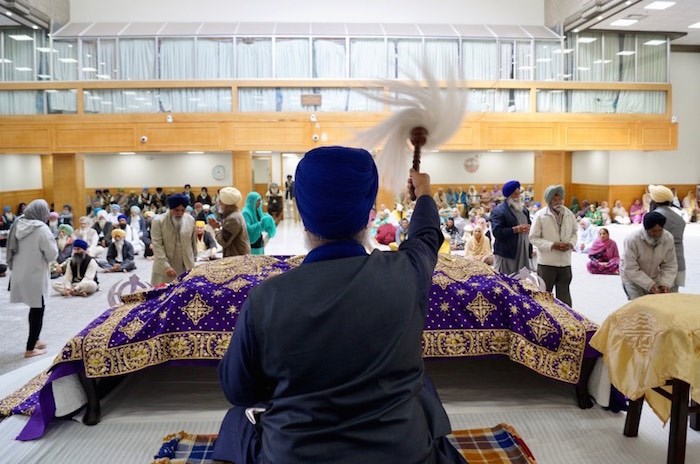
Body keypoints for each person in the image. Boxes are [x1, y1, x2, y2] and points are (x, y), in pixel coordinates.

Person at [213, 146, 465, 464]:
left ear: (302, 213)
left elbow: (239, 391)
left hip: (296, 455)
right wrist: (425, 195)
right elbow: (426, 236)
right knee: (422, 389)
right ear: (368, 209)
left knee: (237, 421)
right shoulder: (405, 273)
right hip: (401, 453)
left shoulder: (267, 298)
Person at [6, 199, 58, 358]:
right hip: (35, 276)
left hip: (20, 274)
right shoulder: (42, 229)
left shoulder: (18, 224)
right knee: (37, 310)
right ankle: (30, 348)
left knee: (34, 307)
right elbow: (52, 254)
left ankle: (36, 340)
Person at [529, 185, 578, 307]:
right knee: (544, 298)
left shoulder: (569, 214)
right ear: (549, 200)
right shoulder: (540, 215)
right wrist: (552, 245)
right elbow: (533, 238)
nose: (558, 202)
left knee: (565, 299)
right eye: (555, 200)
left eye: (560, 199)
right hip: (547, 263)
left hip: (565, 262)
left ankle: (567, 323)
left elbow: (574, 232)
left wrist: (571, 243)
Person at [620, 211, 677, 300]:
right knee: (638, 306)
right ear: (646, 229)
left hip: (654, 275)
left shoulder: (668, 238)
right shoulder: (632, 240)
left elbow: (670, 265)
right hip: (631, 277)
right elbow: (631, 268)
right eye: (653, 231)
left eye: (660, 230)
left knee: (659, 304)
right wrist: (650, 284)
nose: (657, 234)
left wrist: (665, 283)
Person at [150, 194, 198, 286]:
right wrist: (165, 266)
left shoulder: (190, 219)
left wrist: (194, 259)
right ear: (170, 208)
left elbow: (193, 242)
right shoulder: (158, 221)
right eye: (176, 210)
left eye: (182, 210)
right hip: (165, 267)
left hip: (186, 265)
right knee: (163, 296)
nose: (179, 213)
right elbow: (157, 245)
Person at [648, 184, 686, 292]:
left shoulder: (654, 217)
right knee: (673, 295)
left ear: (654, 201)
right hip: (679, 261)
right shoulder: (679, 217)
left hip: (662, 264)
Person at [490, 180, 532, 275]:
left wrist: (528, 227)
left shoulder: (524, 210)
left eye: (518, 194)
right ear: (508, 195)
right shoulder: (499, 211)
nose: (517, 196)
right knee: (505, 282)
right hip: (507, 253)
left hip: (522, 251)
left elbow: (528, 223)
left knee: (521, 282)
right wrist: (516, 229)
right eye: (514, 194)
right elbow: (497, 232)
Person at [208, 187, 250, 257]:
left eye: (220, 202)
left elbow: (224, 242)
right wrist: (220, 226)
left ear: (226, 204)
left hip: (237, 257)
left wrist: (215, 228)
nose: (219, 204)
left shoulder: (233, 218)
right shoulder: (234, 214)